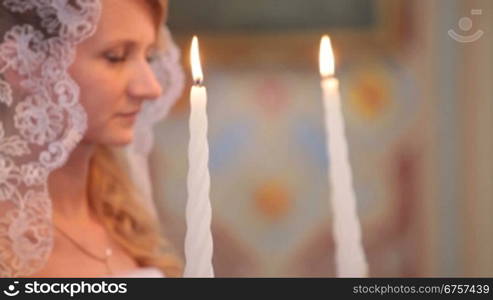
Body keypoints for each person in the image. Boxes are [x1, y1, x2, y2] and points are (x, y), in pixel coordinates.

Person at [0, 0, 184, 277]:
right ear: (23, 64)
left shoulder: (122, 210)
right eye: (117, 56)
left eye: (149, 57)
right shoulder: (11, 242)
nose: (151, 88)